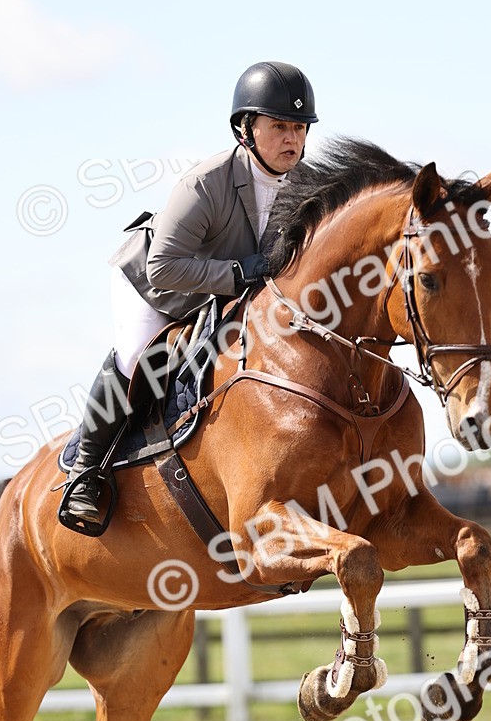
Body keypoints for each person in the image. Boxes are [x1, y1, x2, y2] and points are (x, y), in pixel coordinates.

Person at [61, 60, 318, 528]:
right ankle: (86, 474)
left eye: (300, 128)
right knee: (139, 357)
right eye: (279, 126)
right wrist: (240, 271)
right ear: (245, 128)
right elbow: (163, 266)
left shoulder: (306, 188)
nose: (293, 140)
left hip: (219, 291)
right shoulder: (206, 181)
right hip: (153, 286)